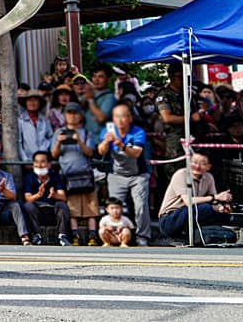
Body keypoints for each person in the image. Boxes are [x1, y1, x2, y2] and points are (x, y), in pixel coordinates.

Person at [97, 103, 150, 246]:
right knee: (114, 206)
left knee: (141, 205)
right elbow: (101, 151)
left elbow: (136, 153)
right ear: (113, 119)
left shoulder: (137, 132)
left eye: (124, 116)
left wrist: (120, 144)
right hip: (116, 174)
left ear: (130, 118)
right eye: (117, 117)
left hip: (138, 175)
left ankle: (142, 236)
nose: (120, 120)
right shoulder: (107, 131)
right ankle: (114, 235)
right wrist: (106, 143)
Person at [50, 103, 98, 245]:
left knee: (91, 209)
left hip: (85, 175)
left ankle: (93, 237)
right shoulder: (59, 132)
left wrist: (79, 141)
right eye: (69, 113)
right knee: (72, 209)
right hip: (68, 176)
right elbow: (53, 154)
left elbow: (90, 153)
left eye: (75, 113)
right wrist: (58, 142)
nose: (72, 115)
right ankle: (75, 237)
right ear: (65, 115)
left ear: (80, 115)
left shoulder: (86, 132)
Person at [157, 153, 233, 240]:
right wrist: (215, 197)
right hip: (170, 219)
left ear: (208, 167)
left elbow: (214, 203)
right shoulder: (181, 174)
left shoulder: (209, 177)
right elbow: (188, 202)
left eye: (203, 164)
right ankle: (186, 233)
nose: (197, 166)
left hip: (192, 215)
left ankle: (202, 235)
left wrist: (222, 208)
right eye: (195, 162)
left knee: (224, 215)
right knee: (205, 208)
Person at [21, 151, 72, 246]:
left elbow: (63, 197)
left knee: (62, 205)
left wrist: (54, 195)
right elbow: (27, 198)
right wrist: (38, 195)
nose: (39, 165)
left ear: (49, 164)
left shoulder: (55, 177)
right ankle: (37, 236)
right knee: (28, 206)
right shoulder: (29, 177)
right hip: (37, 211)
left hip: (52, 210)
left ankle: (62, 236)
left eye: (42, 162)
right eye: (36, 162)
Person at [81, 65, 116, 142]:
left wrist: (90, 100)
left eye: (100, 77)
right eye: (94, 76)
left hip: (101, 141)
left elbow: (101, 118)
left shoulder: (110, 97)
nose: (96, 79)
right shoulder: (88, 93)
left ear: (108, 79)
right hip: (86, 141)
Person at [18, 90, 54, 162]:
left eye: (35, 100)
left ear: (39, 103)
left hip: (44, 159)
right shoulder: (20, 120)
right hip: (28, 161)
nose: (32, 103)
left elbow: (50, 137)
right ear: (26, 103)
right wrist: (25, 160)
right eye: (30, 100)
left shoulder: (44, 120)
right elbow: (19, 142)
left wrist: (44, 148)